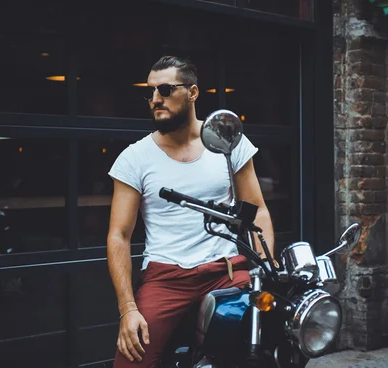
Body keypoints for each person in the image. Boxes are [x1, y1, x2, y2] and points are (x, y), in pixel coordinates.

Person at [107, 56, 275, 367]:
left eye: (166, 90)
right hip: (166, 277)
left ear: (193, 92)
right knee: (131, 359)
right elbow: (119, 235)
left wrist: (265, 266)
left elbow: (258, 210)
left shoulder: (228, 141)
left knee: (266, 344)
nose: (156, 99)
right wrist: (128, 308)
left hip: (226, 271)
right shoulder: (135, 158)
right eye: (151, 92)